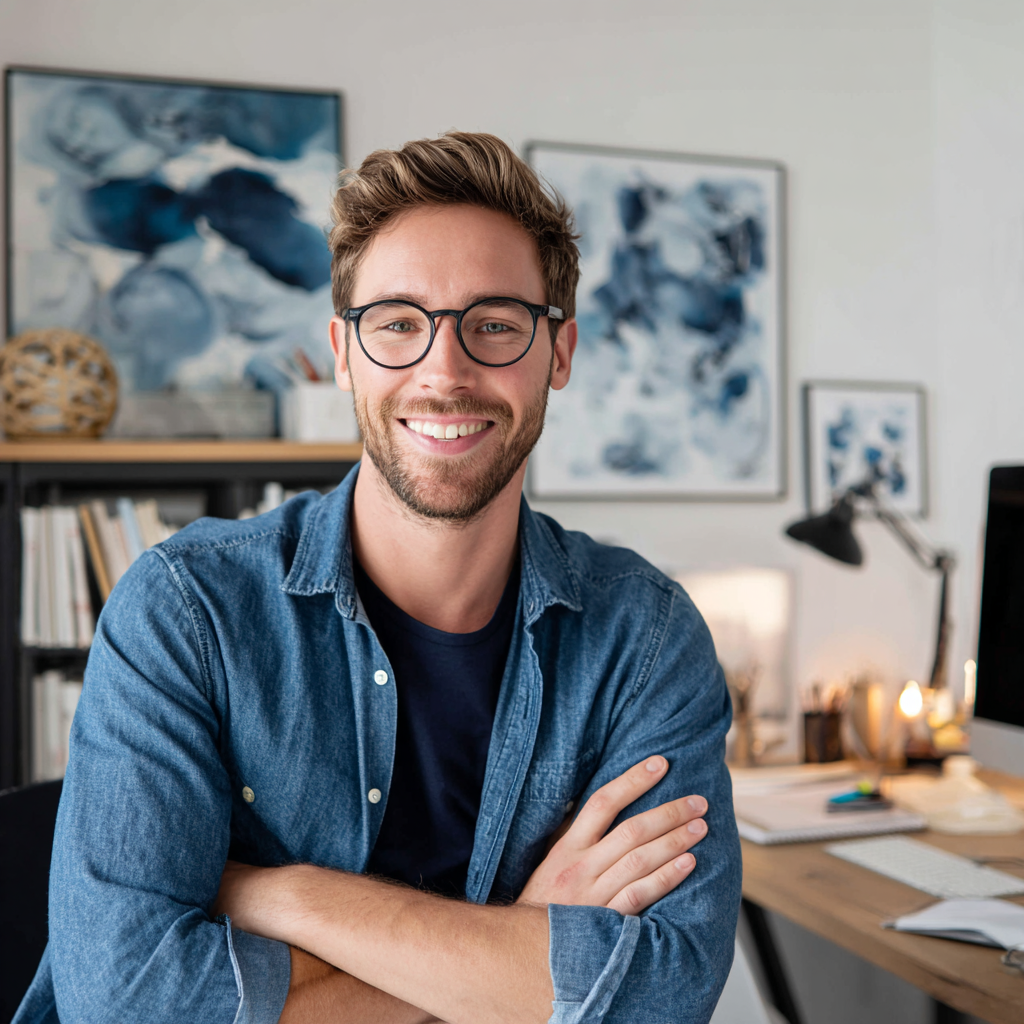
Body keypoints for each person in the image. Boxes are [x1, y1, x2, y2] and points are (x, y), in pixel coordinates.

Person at [14, 132, 741, 1024]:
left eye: (496, 324)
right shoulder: (187, 609)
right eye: (398, 322)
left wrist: (283, 894)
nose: (445, 371)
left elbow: (664, 997)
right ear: (344, 352)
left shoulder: (645, 637)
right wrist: (516, 952)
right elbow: (129, 1003)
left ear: (559, 352)